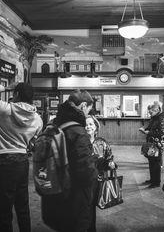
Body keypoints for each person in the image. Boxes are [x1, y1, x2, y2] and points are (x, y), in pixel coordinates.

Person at [0, 82, 43, 232]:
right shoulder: (37, 119)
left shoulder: (3, 109)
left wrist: (5, 87)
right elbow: (32, 143)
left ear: (16, 94)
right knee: (22, 206)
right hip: (22, 163)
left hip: (4, 164)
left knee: (3, 211)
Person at [42, 89, 98, 232]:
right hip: (74, 200)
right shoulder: (78, 132)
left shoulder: (53, 124)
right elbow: (86, 172)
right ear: (83, 106)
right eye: (89, 110)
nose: (88, 115)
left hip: (53, 194)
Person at [85, 115, 116, 232]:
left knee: (91, 206)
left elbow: (109, 157)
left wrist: (111, 163)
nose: (88, 127)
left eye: (90, 124)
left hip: (97, 179)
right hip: (82, 180)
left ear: (96, 127)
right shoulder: (79, 143)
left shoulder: (102, 143)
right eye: (86, 124)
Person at [139, 101, 164, 188]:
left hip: (157, 144)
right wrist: (144, 129)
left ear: (157, 110)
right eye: (149, 112)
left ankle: (156, 182)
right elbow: (150, 127)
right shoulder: (154, 117)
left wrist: (148, 132)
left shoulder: (161, 119)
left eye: (151, 112)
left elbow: (161, 133)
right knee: (151, 161)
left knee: (156, 163)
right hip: (151, 143)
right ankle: (152, 179)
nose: (150, 113)